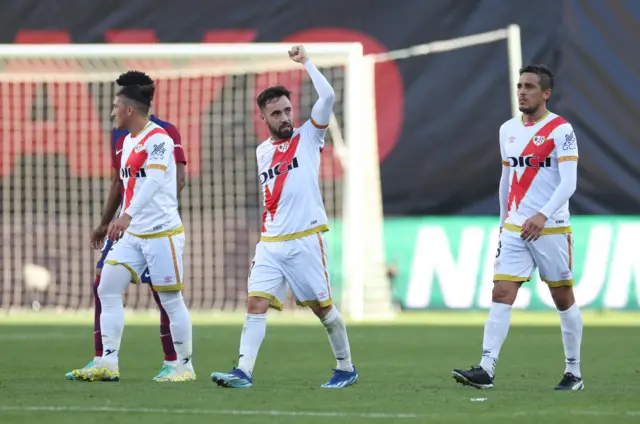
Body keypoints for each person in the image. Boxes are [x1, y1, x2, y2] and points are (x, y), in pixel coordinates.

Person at [210, 45, 358, 389]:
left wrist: (307, 62)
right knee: (256, 302)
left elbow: (329, 95)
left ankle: (346, 367)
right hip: (271, 243)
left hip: (304, 240)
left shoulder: (310, 135)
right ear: (264, 118)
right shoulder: (263, 152)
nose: (285, 118)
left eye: (288, 110)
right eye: (276, 113)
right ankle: (243, 372)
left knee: (323, 311)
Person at [452, 64, 583, 391]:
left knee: (562, 296)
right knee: (501, 292)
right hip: (514, 227)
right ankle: (486, 369)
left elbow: (568, 183)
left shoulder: (561, 130)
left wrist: (542, 214)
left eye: (529, 86)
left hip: (550, 227)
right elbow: (506, 180)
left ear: (545, 93)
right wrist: (502, 223)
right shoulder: (507, 129)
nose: (522, 91)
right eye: (519, 86)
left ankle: (573, 372)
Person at [66, 71, 188, 382]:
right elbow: (124, 184)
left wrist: (127, 216)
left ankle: (182, 367)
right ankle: (107, 362)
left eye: (114, 106)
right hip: (132, 235)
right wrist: (112, 221)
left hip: (161, 233)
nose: (111, 112)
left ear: (129, 109)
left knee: (170, 299)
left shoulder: (159, 138)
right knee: (106, 286)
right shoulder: (128, 141)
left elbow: (157, 181)